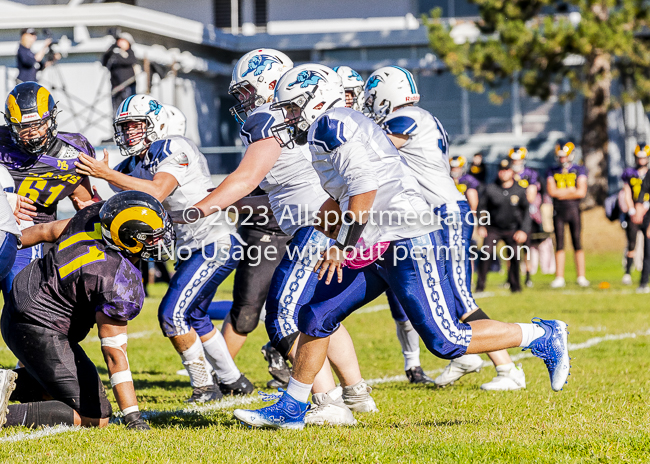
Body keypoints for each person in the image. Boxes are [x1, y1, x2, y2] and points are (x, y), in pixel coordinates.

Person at [233, 63, 570, 429]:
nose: (289, 118)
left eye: (294, 108)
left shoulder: (332, 125)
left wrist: (341, 245)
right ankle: (293, 407)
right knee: (316, 315)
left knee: (446, 340)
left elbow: (364, 187)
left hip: (406, 237)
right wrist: (326, 238)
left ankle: (544, 333)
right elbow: (337, 200)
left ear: (317, 101)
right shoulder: (325, 129)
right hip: (375, 240)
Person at [188, 49, 378, 426]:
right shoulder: (295, 117)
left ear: (265, 82)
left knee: (284, 318)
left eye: (244, 90)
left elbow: (246, 178)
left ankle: (326, 401)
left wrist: (198, 209)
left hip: (316, 226)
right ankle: (356, 393)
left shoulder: (268, 117)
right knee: (321, 312)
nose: (242, 100)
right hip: (326, 222)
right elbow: (272, 188)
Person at [75, 94, 254, 403]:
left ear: (156, 124)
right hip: (190, 246)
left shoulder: (172, 146)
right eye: (125, 127)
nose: (129, 132)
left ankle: (205, 387)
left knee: (173, 315)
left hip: (214, 240)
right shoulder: (133, 163)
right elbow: (119, 201)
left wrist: (105, 174)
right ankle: (234, 382)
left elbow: (157, 191)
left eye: (135, 125)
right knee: (195, 316)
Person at [365, 66, 525, 391]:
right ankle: (465, 357)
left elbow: (372, 153)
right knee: (446, 292)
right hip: (434, 212)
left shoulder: (407, 117)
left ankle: (509, 370)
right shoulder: (419, 116)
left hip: (445, 211)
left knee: (460, 296)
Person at [0, 191, 174, 430]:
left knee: (54, 391)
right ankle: (7, 415)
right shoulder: (117, 280)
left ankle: (4, 383)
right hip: (38, 327)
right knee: (96, 416)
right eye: (152, 238)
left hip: (19, 304)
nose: (160, 242)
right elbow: (114, 353)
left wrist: (9, 245)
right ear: (129, 238)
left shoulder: (93, 218)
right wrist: (133, 416)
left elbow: (44, 231)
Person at [0, 82, 95, 298]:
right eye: (24, 128)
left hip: (34, 235)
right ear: (11, 126)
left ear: (51, 120)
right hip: (1, 228)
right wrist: (4, 199)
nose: (33, 134)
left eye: (39, 125)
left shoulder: (73, 151)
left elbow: (84, 200)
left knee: (21, 305)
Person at [475, 158, 531, 294]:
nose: (503, 173)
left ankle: (515, 287)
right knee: (486, 254)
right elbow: (481, 208)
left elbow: (526, 212)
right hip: (493, 228)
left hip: (512, 229)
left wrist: (523, 230)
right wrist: (481, 225)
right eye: (501, 170)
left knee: (515, 256)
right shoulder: (490, 189)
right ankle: (480, 287)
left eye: (506, 170)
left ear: (511, 171)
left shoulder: (519, 190)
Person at [546, 141, 589, 288]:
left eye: (565, 156)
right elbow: (552, 192)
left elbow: (581, 192)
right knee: (559, 244)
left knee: (577, 242)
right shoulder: (552, 170)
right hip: (558, 210)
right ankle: (559, 277)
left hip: (574, 210)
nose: (562, 159)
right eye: (560, 156)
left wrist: (562, 193)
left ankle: (581, 276)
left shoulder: (579, 169)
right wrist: (571, 191)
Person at [509, 147, 542, 288]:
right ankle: (510, 277)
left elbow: (531, 196)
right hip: (510, 214)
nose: (516, 162)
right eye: (514, 160)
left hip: (525, 214)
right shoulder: (507, 173)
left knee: (526, 247)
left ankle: (528, 275)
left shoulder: (530, 174)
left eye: (518, 159)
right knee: (510, 248)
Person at [621, 143, 649, 287]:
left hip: (647, 212)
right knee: (631, 243)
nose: (641, 160)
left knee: (648, 244)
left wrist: (645, 207)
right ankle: (627, 272)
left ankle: (645, 275)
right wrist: (632, 210)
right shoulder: (629, 173)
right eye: (639, 157)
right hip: (633, 213)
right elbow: (626, 193)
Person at [102, 32, 138, 115]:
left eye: (122, 41)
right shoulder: (114, 54)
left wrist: (117, 55)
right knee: (117, 111)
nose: (120, 43)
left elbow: (129, 61)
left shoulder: (129, 53)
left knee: (129, 108)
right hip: (116, 88)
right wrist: (111, 50)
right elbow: (105, 62)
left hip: (128, 86)